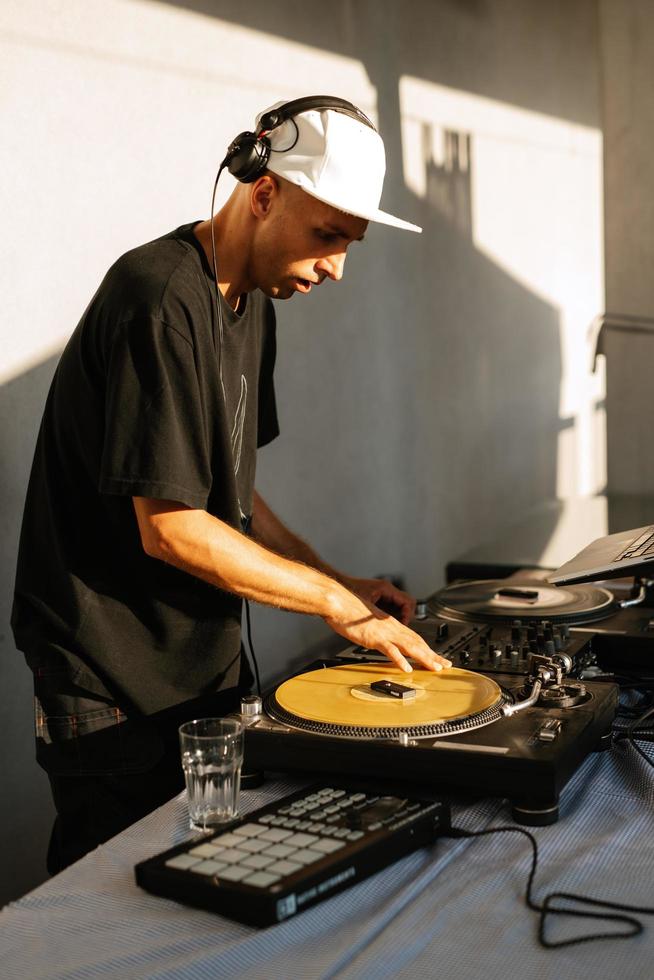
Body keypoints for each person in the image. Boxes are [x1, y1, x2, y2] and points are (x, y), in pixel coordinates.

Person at [12, 96, 451, 873]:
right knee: (110, 907)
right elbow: (173, 526)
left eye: (351, 244)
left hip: (190, 678)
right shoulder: (159, 299)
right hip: (109, 682)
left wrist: (337, 578)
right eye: (327, 236)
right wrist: (335, 608)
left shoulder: (254, 304)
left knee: (205, 888)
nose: (336, 267)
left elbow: (230, 500)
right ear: (264, 191)